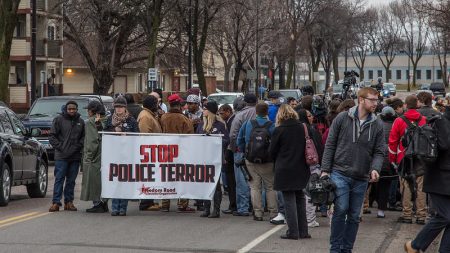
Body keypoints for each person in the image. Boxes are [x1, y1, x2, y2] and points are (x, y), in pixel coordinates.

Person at [321, 87, 385, 252]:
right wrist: (325, 170)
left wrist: (375, 168)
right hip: (339, 172)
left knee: (355, 216)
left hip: (362, 176)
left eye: (377, 100)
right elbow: (330, 145)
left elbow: (379, 151)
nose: (375, 104)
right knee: (341, 209)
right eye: (372, 100)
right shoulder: (342, 118)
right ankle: (335, 248)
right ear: (361, 99)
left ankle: (347, 249)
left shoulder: (377, 123)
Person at [404, 106, 450, 253]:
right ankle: (415, 245)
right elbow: (444, 145)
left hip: (446, 179)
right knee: (445, 217)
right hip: (439, 179)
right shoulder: (442, 121)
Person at [270, 104, 311, 240]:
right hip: (301, 167)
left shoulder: (279, 130)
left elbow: (272, 152)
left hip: (285, 168)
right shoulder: (302, 127)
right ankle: (303, 231)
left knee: (289, 200)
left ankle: (292, 231)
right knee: (300, 198)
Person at [389, 95, 427, 224]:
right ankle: (421, 215)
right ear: (417, 105)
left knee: (405, 187)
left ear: (405, 105)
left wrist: (393, 159)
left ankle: (407, 214)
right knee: (421, 187)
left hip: (404, 157)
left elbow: (393, 141)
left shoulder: (399, 121)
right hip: (421, 158)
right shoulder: (424, 120)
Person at [237, 102, 277, 221]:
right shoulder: (272, 125)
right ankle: (273, 213)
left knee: (255, 187)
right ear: (267, 112)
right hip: (268, 160)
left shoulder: (248, 124)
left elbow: (240, 140)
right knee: (270, 186)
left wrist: (246, 152)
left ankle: (258, 213)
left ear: (256, 112)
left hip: (251, 160)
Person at [160, 94, 196, 212]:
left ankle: (165, 204)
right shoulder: (185, 119)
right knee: (183, 177)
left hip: (165, 152)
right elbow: (190, 137)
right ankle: (183, 204)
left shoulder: (163, 118)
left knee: (166, 177)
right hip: (182, 153)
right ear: (180, 105)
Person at [104, 96, 139, 216]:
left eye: (121, 107)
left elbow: (137, 136)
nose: (119, 109)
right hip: (113, 155)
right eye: (117, 107)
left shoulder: (131, 120)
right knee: (114, 182)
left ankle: (123, 207)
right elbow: (104, 134)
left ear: (125, 108)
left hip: (127, 155)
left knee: (124, 182)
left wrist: (127, 135)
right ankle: (114, 207)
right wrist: (114, 132)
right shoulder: (109, 120)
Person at [48, 101, 85, 212]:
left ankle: (69, 202)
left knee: (71, 181)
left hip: (75, 156)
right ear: (66, 109)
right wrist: (60, 147)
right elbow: (52, 136)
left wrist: (78, 146)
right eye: (70, 109)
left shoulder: (81, 122)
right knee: (59, 179)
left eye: (74, 109)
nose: (72, 111)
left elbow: (83, 137)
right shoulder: (58, 120)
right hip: (61, 156)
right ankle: (56, 202)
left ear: (77, 109)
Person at [196, 101, 229, 218]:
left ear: (210, 111)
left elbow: (226, 140)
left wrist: (214, 140)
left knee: (215, 184)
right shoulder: (201, 125)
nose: (203, 111)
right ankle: (206, 209)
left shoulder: (220, 125)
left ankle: (216, 210)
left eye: (205, 109)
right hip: (203, 158)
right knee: (205, 184)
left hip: (215, 159)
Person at [229, 93, 257, 216]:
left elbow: (233, 135)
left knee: (242, 180)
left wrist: (235, 149)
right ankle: (257, 207)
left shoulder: (240, 115)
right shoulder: (261, 113)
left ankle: (243, 208)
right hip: (259, 151)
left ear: (245, 102)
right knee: (257, 181)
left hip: (241, 151)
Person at [297, 108, 324, 227]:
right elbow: (319, 147)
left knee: (303, 192)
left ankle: (302, 218)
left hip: (301, 165)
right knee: (311, 192)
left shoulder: (297, 129)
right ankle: (310, 219)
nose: (311, 117)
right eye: (308, 116)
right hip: (312, 164)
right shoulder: (312, 129)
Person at [80, 100, 108, 213]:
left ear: (93, 111)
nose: (88, 112)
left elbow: (92, 141)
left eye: (89, 110)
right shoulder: (107, 120)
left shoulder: (90, 122)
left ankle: (98, 203)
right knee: (103, 181)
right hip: (106, 154)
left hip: (95, 156)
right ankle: (104, 202)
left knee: (93, 181)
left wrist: (88, 157)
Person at [137, 95, 163, 211]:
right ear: (152, 105)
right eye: (156, 104)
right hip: (148, 152)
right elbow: (145, 136)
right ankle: (146, 203)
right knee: (148, 177)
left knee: (151, 177)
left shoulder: (150, 115)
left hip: (153, 151)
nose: (158, 106)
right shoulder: (145, 117)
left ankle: (149, 201)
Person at [376, 106, 398, 218]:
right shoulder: (395, 125)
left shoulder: (376, 124)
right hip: (389, 158)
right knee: (384, 185)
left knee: (369, 185)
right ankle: (381, 210)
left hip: (376, 158)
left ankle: (362, 208)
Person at [218, 104, 237, 214]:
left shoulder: (230, 122)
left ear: (228, 111)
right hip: (230, 153)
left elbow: (230, 138)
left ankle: (233, 204)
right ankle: (233, 204)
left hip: (229, 154)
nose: (220, 115)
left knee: (231, 182)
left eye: (222, 113)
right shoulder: (229, 121)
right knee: (230, 182)